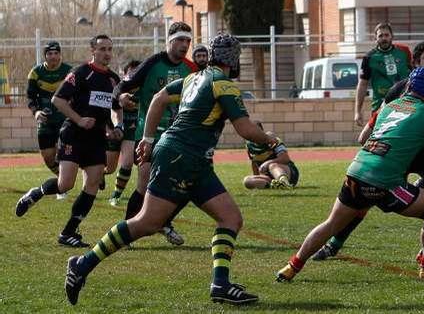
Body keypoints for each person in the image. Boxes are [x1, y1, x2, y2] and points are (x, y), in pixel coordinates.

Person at [64, 33, 277, 305]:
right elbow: (246, 129)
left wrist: (148, 139)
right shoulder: (223, 85)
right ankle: (81, 265)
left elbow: (158, 99)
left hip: (193, 160)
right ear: (234, 60)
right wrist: (272, 139)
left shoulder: (193, 78)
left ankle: (220, 285)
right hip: (181, 157)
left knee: (231, 218)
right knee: (147, 223)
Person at [275, 67, 424, 282]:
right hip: (384, 182)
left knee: (331, 224)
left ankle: (291, 266)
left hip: (356, 171)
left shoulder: (391, 106)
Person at [313, 41, 424, 263]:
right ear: (415, 64)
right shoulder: (401, 89)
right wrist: (368, 137)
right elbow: (369, 130)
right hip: (399, 154)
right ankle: (334, 244)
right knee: (364, 201)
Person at [16, 35, 122, 248]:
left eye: (110, 49)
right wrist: (79, 119)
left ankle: (69, 232)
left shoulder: (113, 79)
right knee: (66, 184)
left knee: (93, 183)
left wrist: (116, 126)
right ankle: (35, 194)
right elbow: (58, 100)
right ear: (92, 51)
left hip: (96, 138)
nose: (107, 53)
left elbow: (116, 108)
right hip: (73, 134)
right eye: (102, 49)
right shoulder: (80, 73)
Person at [113, 21, 197, 246]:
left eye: (188, 41)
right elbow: (122, 86)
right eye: (180, 40)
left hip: (178, 138)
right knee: (144, 183)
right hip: (148, 135)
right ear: (169, 41)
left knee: (186, 185)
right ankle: (125, 233)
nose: (184, 45)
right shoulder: (152, 64)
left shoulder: (191, 69)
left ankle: (164, 222)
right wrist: (120, 97)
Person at [26, 41, 73, 179]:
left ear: (60, 55)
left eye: (56, 53)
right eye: (50, 53)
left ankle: (91, 171)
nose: (53, 56)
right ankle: (62, 180)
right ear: (45, 56)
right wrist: (36, 112)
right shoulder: (35, 72)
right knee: (48, 157)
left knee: (68, 152)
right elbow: (30, 97)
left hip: (66, 118)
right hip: (45, 119)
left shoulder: (69, 71)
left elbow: (78, 94)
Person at [354, 22, 412, 126]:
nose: (384, 38)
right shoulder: (369, 57)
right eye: (380, 36)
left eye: (386, 35)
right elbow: (362, 84)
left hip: (404, 105)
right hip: (380, 107)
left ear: (392, 36)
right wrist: (357, 111)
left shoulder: (404, 52)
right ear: (375, 38)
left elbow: (413, 77)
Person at [108, 60, 141, 206]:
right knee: (109, 168)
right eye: (131, 73)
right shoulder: (119, 88)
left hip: (132, 128)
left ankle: (116, 195)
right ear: (125, 74)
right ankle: (99, 175)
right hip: (115, 127)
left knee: (127, 162)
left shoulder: (146, 88)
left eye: (137, 72)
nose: (134, 76)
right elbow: (110, 106)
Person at [243, 121, 299, 190]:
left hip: (286, 172)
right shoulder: (250, 146)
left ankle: (284, 183)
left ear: (261, 131)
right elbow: (254, 163)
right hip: (268, 176)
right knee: (247, 181)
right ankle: (274, 185)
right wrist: (258, 177)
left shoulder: (272, 140)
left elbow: (285, 158)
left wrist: (267, 163)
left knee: (272, 165)